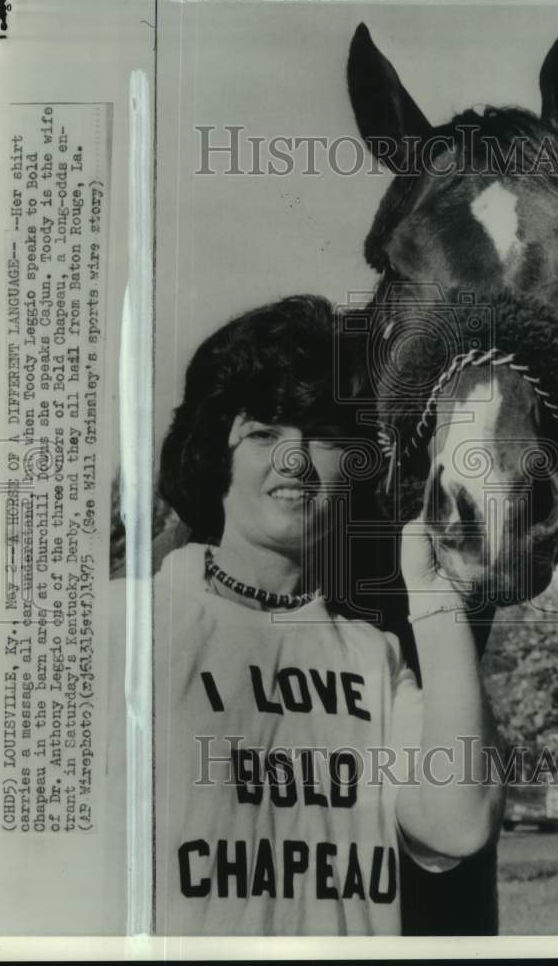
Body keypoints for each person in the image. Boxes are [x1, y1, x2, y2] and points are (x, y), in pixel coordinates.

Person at [150, 294, 503, 935]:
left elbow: (460, 823)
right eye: (263, 432)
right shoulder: (129, 630)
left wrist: (434, 598)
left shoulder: (376, 658)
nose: (294, 460)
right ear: (212, 452)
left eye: (325, 436)